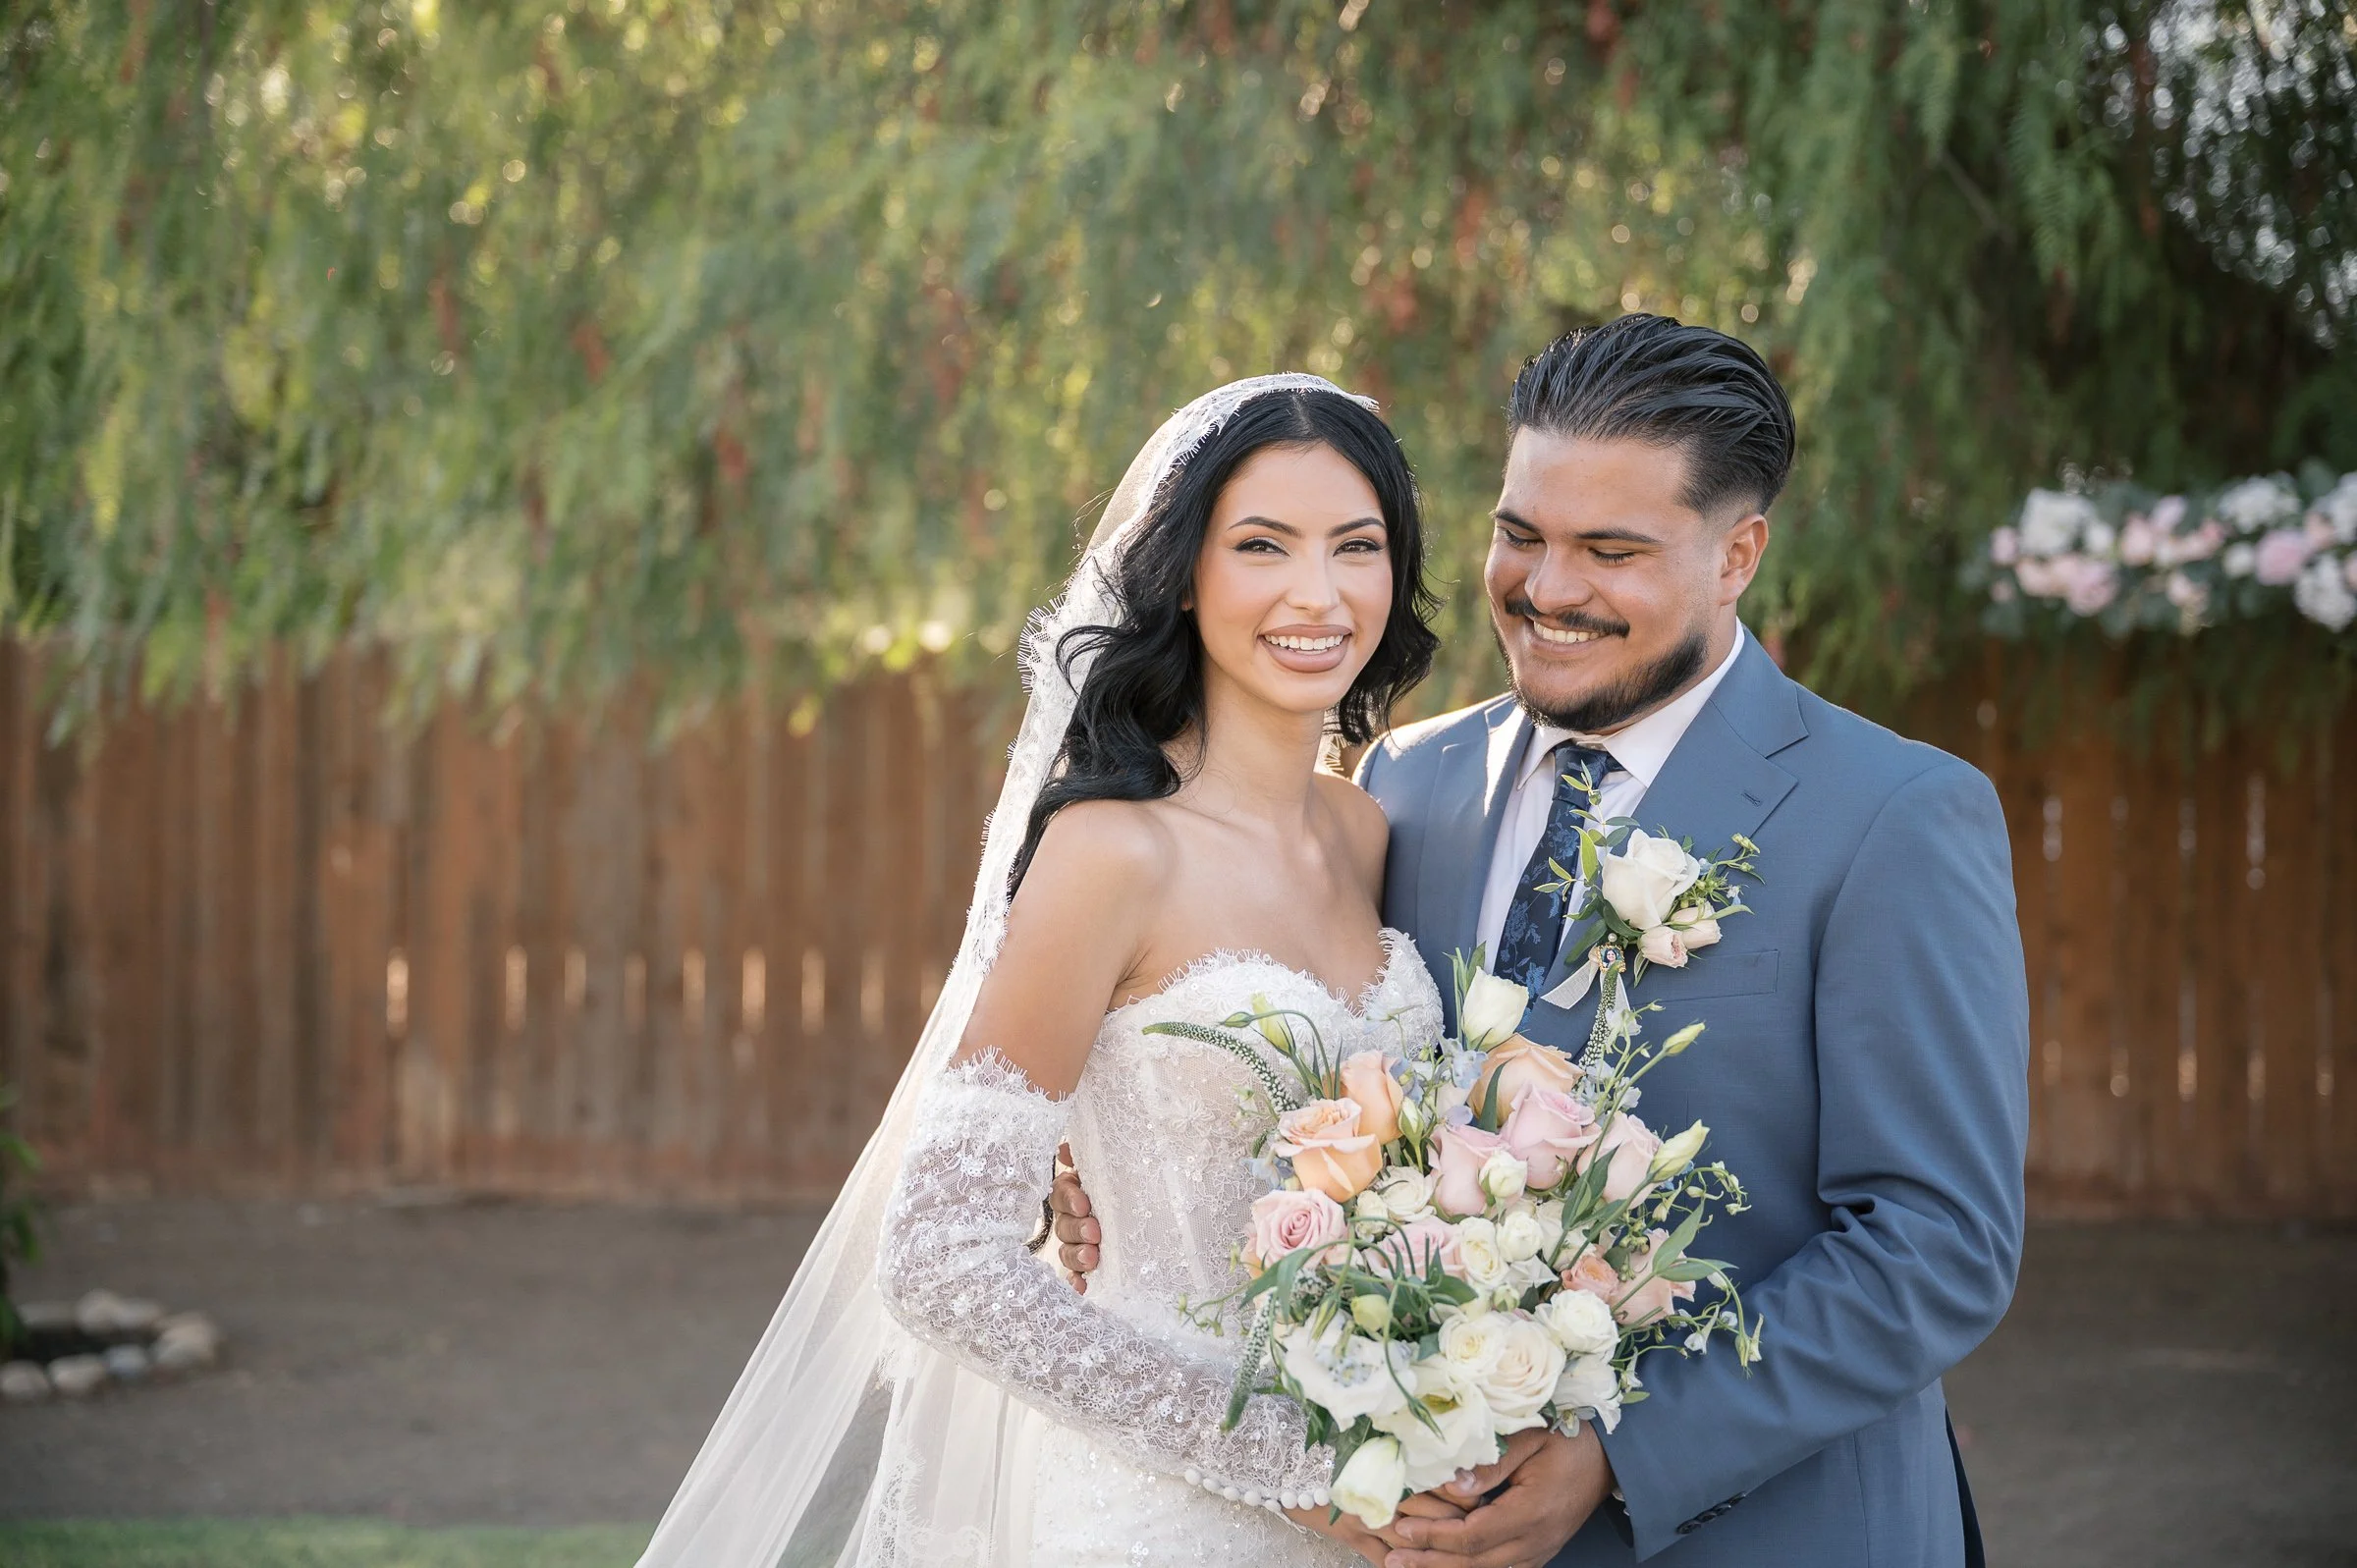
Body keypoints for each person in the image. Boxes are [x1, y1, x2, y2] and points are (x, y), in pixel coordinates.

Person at [1053, 315, 2030, 1568]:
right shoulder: (1400, 781)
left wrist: (1629, 1448)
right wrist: (1103, 1174)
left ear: (1738, 554)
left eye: (1611, 550)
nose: (1549, 588)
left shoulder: (1891, 814)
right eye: (1522, 535)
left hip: (1777, 1532)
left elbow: (1936, 1244)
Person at [636, 374, 1462, 1566]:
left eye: (1358, 545)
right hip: (1176, 1515)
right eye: (1262, 545)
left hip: (1389, 1492)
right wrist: (1290, 1467)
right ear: (1183, 573)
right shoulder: (1111, 851)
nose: (1317, 593)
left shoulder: (1363, 833)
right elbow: (942, 1260)